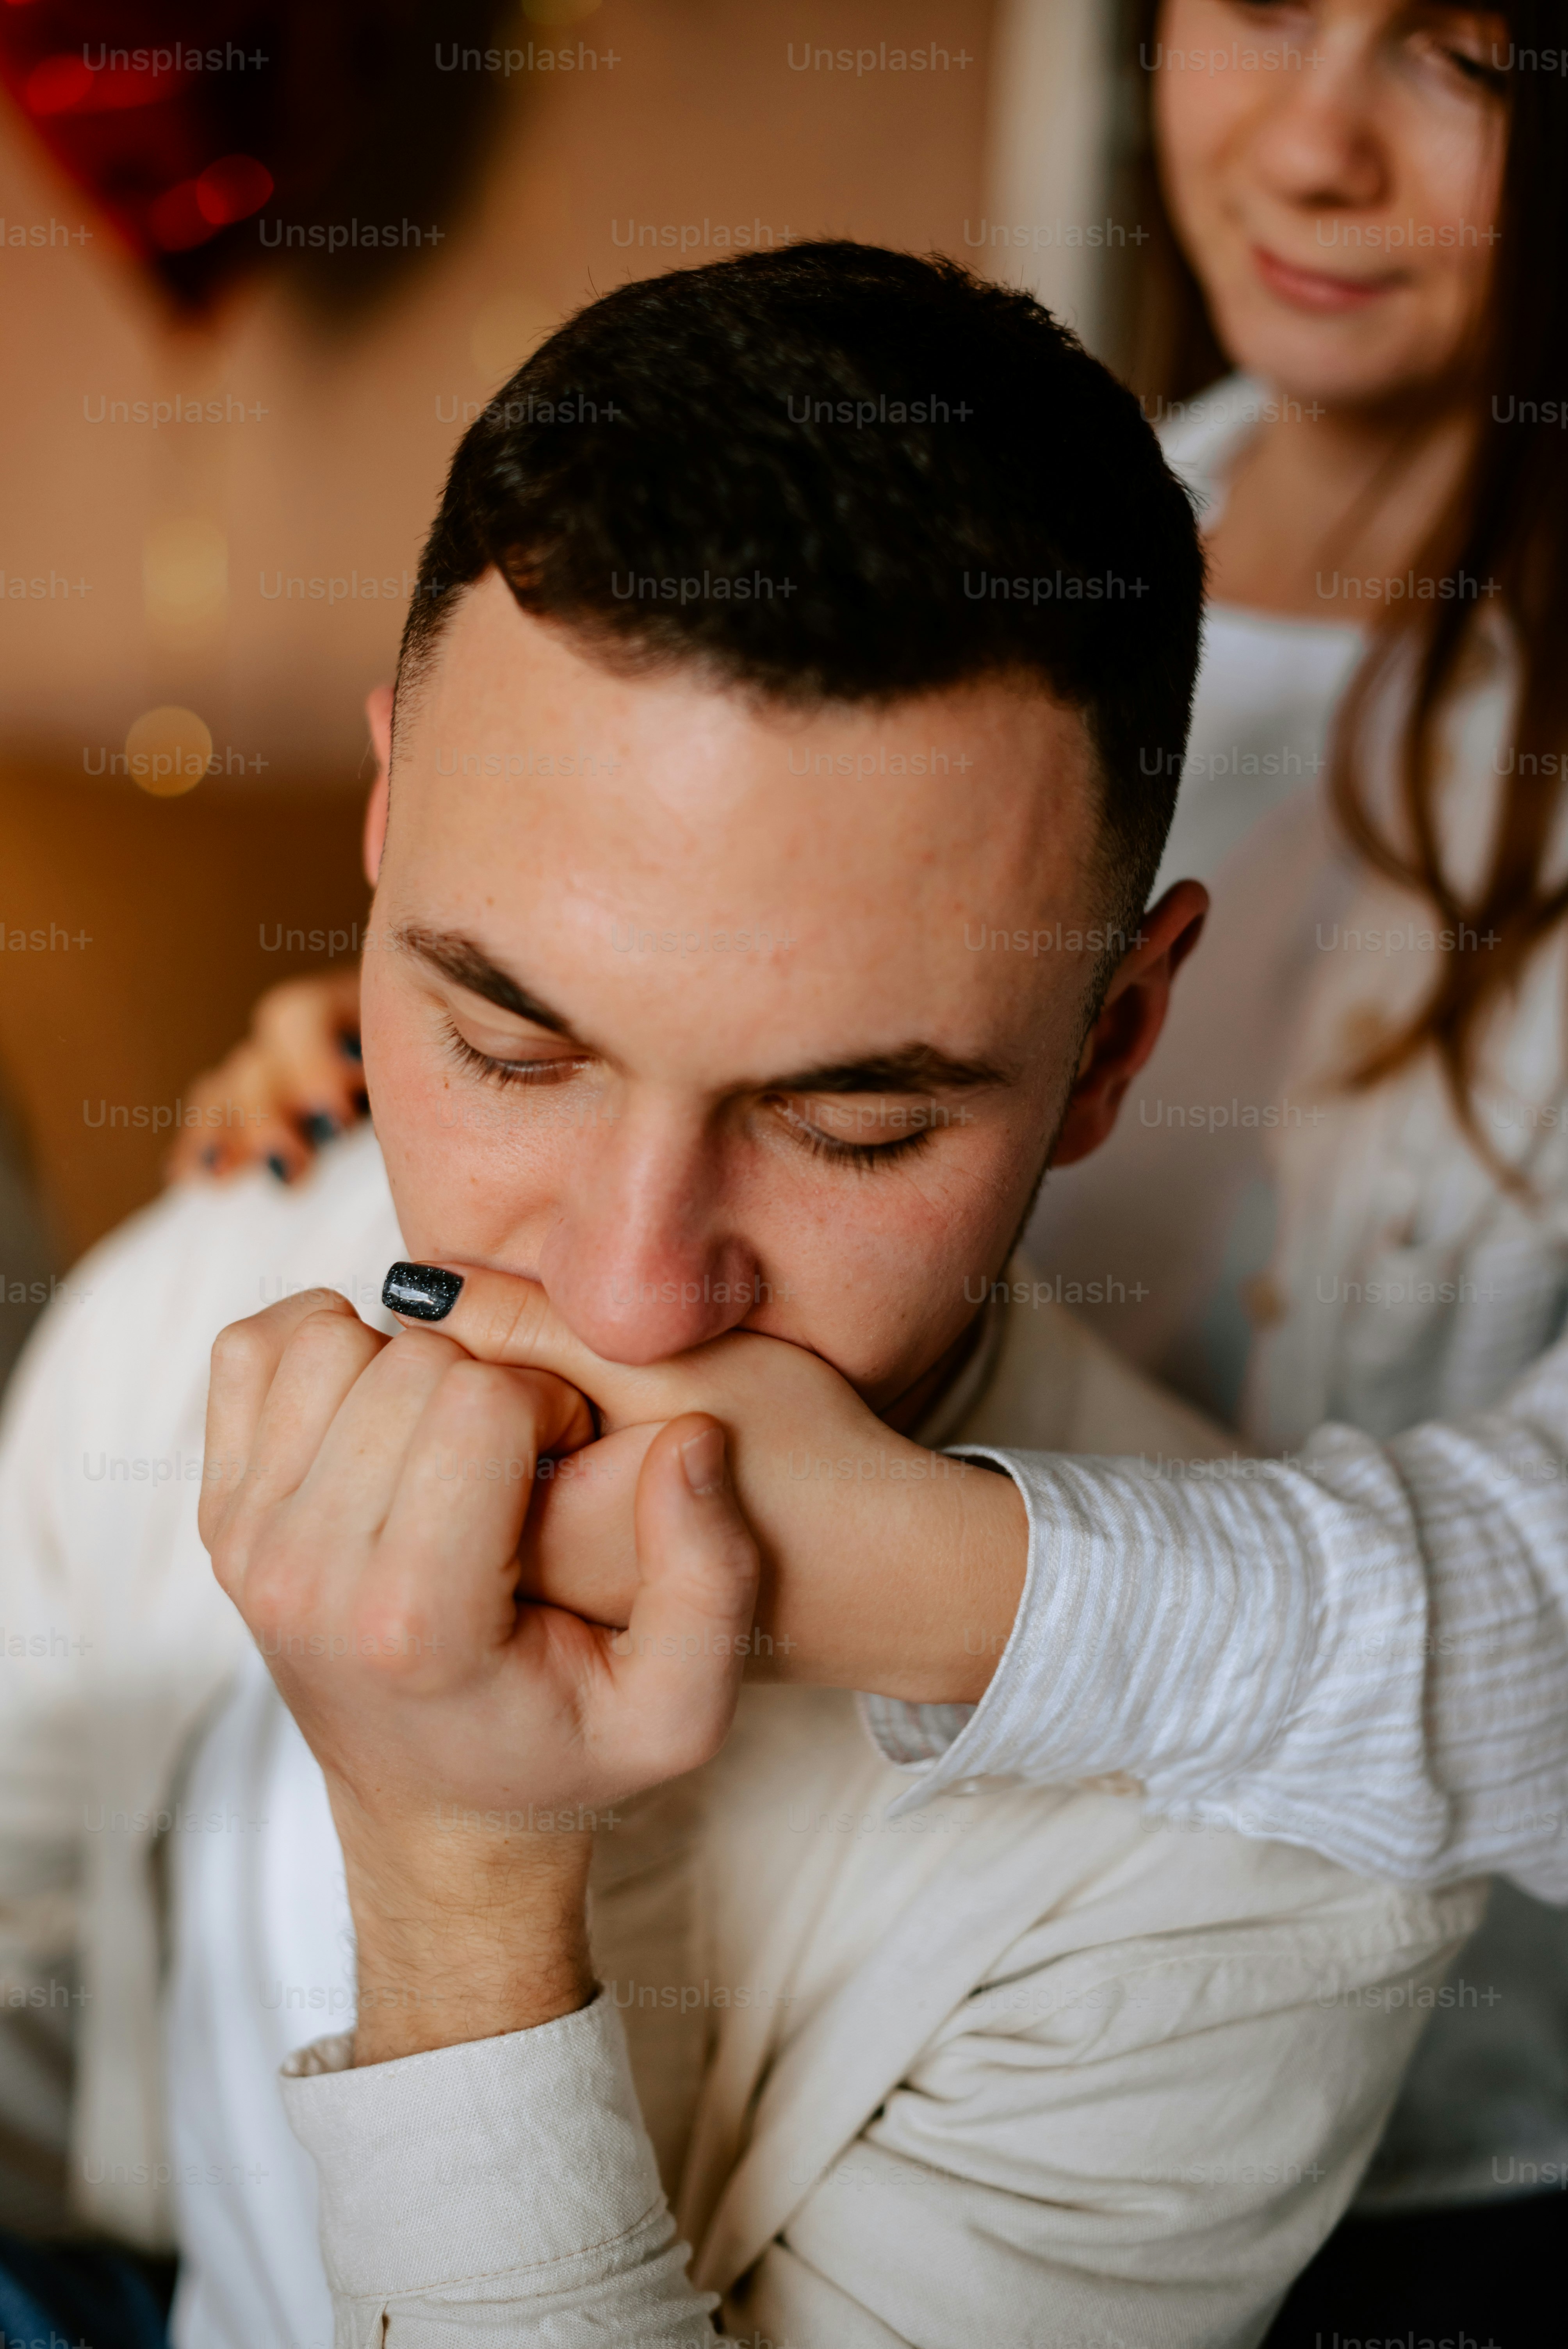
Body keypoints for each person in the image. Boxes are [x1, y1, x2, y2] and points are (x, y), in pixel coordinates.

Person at [185, 6, 1568, 2336]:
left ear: (1111, 1041)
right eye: (511, 1030)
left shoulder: (1255, 1910)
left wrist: (458, 1871)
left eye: (860, 1119)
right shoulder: (261, 1260)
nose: (630, 1295)